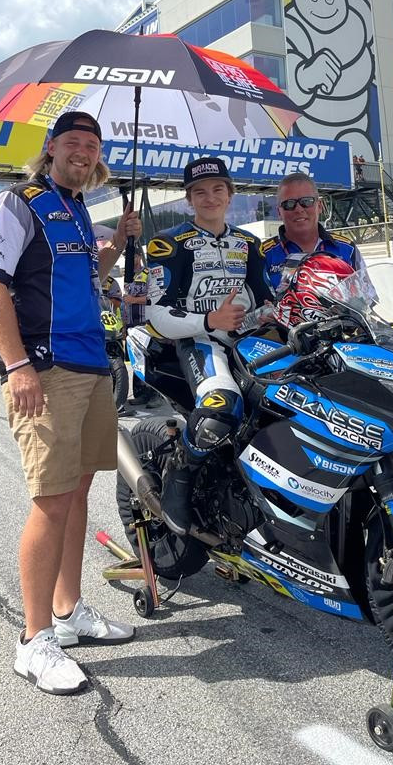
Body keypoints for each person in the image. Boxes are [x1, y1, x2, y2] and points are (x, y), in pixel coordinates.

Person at [0, 110, 141, 696]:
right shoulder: (20, 201)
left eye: (92, 145)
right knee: (50, 501)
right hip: (46, 369)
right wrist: (17, 366)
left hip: (91, 364)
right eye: (74, 142)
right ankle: (33, 639)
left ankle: (68, 614)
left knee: (79, 491)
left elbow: (89, 277)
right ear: (51, 147)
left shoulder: (76, 208)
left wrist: (117, 245)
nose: (84, 152)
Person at [146, 156, 272, 534]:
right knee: (220, 411)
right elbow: (156, 314)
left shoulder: (250, 244)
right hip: (196, 339)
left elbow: (265, 299)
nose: (210, 197)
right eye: (199, 192)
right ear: (189, 199)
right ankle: (179, 479)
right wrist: (209, 321)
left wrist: (265, 315)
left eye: (218, 189)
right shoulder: (168, 244)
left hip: (249, 342)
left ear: (230, 194)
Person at [261, 171, 365, 294]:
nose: (299, 209)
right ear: (279, 212)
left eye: (307, 201)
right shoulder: (263, 254)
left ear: (319, 205)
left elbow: (368, 298)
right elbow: (259, 306)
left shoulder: (347, 248)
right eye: (289, 204)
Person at [123, 250, 159, 409]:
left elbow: (154, 297)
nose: (129, 259)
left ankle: (155, 396)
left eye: (132, 256)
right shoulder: (127, 276)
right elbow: (125, 302)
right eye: (126, 257)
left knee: (150, 360)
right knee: (136, 360)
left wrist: (134, 300)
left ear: (138, 256)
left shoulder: (147, 273)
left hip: (145, 323)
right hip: (131, 324)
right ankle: (140, 394)